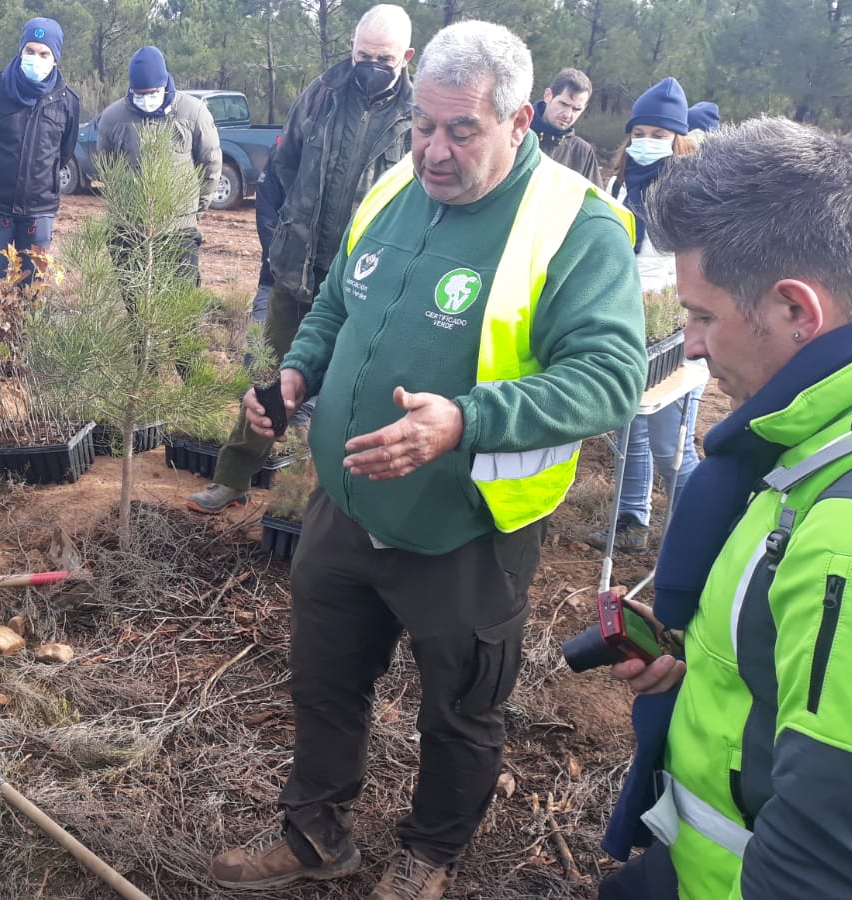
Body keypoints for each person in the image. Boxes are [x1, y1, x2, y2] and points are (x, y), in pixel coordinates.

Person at [208, 21, 646, 898]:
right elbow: (338, 298)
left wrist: (467, 419)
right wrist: (297, 375)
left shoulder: (576, 226)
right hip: (347, 502)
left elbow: (609, 379)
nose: (434, 152)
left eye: (461, 130)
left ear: (520, 121)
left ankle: (429, 858)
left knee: (461, 708)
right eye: (422, 125)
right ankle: (314, 832)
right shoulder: (395, 188)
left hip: (468, 523)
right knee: (326, 678)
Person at [598, 118, 852, 900]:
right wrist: (709, 681)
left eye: (702, 315)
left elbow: (827, 866)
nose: (688, 345)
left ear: (797, 310)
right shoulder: (813, 443)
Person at [188, 5, 414, 514]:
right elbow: (283, 169)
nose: (370, 65)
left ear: (406, 57)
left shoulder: (417, 116)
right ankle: (233, 475)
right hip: (298, 270)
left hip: (369, 283)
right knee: (270, 376)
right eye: (363, 55)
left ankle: (331, 501)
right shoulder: (320, 95)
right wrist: (283, 238)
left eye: (383, 58)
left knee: (358, 392)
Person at [590, 77, 702, 554]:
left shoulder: (691, 191)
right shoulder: (617, 183)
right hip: (626, 321)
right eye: (640, 132)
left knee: (671, 444)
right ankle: (632, 521)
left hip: (671, 331)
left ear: (678, 139)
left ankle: (695, 532)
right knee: (630, 429)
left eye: (659, 134)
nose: (647, 142)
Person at [0, 17, 80, 299]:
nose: (35, 59)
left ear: (55, 58)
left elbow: (64, 152)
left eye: (44, 54)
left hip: (38, 211)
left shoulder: (67, 101)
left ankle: (22, 343)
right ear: (20, 51)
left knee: (32, 290)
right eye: (30, 51)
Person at [95, 45, 220, 280]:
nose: (145, 99)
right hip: (129, 230)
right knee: (136, 305)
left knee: (180, 305)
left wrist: (193, 212)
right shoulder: (112, 118)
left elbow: (210, 165)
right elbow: (107, 170)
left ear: (165, 83)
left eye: (152, 92)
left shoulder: (193, 113)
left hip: (178, 229)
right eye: (139, 94)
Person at [530, 67, 600, 182]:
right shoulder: (516, 134)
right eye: (564, 104)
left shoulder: (582, 152)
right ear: (548, 96)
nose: (568, 115)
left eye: (576, 109)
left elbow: (593, 199)